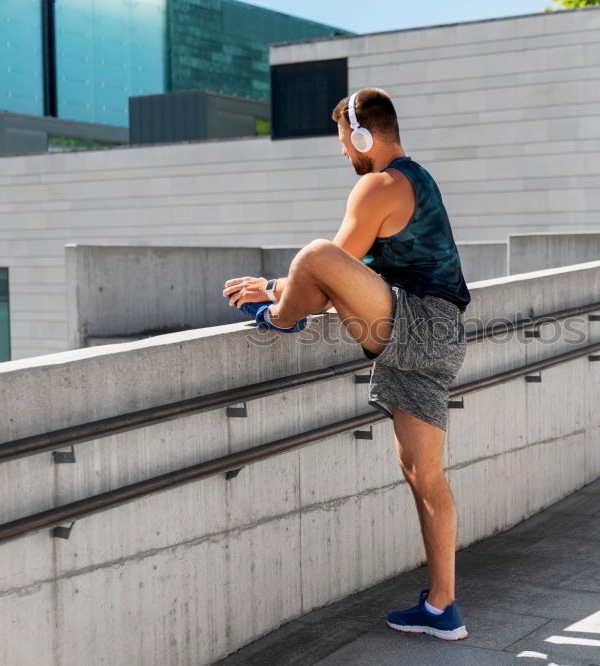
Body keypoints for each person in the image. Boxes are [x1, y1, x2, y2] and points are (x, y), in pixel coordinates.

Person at [221, 87, 471, 641]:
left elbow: (330, 267)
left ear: (363, 136)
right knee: (423, 475)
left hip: (420, 325)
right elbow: (338, 284)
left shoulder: (378, 184)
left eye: (343, 141)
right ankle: (441, 609)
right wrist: (279, 286)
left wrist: (279, 299)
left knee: (313, 253)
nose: (342, 153)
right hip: (437, 335)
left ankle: (278, 321)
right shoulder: (416, 178)